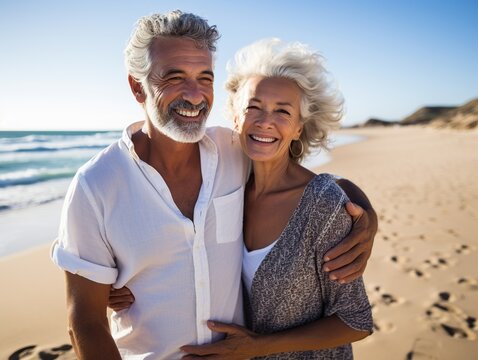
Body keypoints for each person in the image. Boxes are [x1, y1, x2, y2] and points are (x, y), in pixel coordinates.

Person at [51, 11, 376, 359]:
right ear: (136, 86)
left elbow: (313, 185)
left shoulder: (233, 152)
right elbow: (85, 321)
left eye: (204, 77)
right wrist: (104, 287)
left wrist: (366, 215)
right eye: (175, 76)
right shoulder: (95, 186)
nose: (194, 95)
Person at [179, 39, 373, 359]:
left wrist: (257, 347)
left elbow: (356, 321)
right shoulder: (224, 187)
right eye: (253, 107)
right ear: (235, 117)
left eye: (282, 111)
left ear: (298, 128)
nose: (265, 121)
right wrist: (123, 285)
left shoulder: (323, 208)